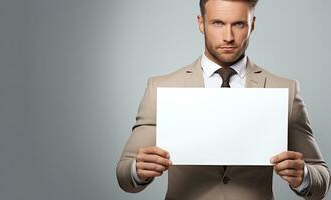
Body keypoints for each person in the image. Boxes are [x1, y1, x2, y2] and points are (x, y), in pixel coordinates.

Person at [116, 0, 330, 199]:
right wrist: (138, 169)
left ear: (252, 25)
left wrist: (303, 175)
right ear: (201, 23)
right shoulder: (160, 87)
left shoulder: (285, 89)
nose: (228, 36)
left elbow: (322, 178)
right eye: (218, 23)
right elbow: (124, 174)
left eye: (239, 24)